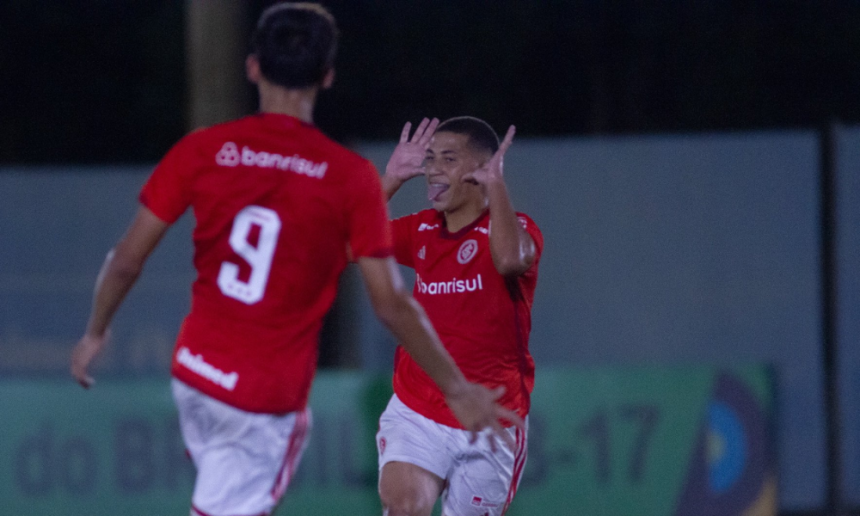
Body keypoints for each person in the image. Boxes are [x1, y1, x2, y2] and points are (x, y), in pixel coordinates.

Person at [70, 5, 521, 516]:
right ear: (327, 77)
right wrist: (456, 388)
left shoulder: (205, 150)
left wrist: (95, 332)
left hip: (194, 373)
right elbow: (392, 303)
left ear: (253, 68)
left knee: (225, 485)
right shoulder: (344, 176)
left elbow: (127, 259)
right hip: (262, 395)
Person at [376, 116, 543, 516]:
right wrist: (391, 179)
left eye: (448, 159)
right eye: (430, 158)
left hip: (490, 419)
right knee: (404, 506)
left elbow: (507, 261)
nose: (433, 168)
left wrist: (497, 186)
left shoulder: (518, 229)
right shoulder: (421, 231)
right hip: (418, 407)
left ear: (481, 169)